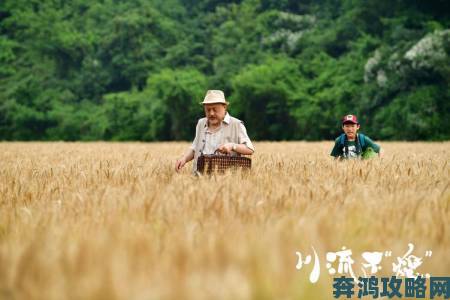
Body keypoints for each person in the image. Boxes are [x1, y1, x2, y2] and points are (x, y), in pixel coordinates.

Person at [175, 90, 254, 173]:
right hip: (200, 178)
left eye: (215, 109)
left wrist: (232, 146)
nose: (211, 113)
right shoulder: (201, 123)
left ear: (224, 107)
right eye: (208, 110)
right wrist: (184, 159)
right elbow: (195, 148)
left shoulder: (236, 124)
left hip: (227, 180)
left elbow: (250, 149)